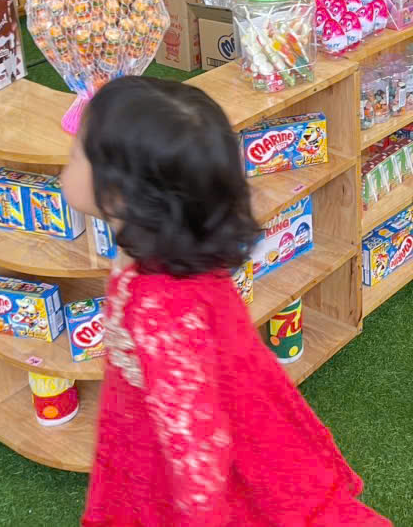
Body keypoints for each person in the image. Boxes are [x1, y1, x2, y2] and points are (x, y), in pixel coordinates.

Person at [66, 77, 389, 526]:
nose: (68, 157)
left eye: (77, 152)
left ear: (120, 193)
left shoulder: (158, 306)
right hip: (209, 414)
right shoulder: (176, 244)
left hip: (188, 447)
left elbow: (194, 443)